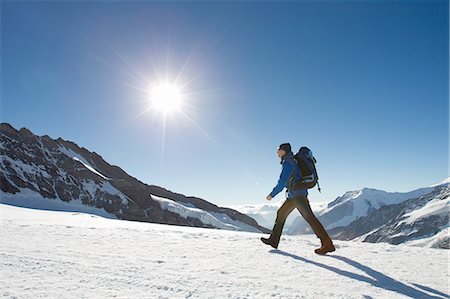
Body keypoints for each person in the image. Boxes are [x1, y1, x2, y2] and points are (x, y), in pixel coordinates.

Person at [261, 143, 335, 255]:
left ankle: (328, 244)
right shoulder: (291, 160)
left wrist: (272, 194)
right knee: (282, 213)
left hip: (298, 196)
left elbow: (282, 182)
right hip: (294, 195)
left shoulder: (288, 163)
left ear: (284, 151)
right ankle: (273, 240)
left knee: (310, 218)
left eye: (279, 150)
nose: (277, 152)